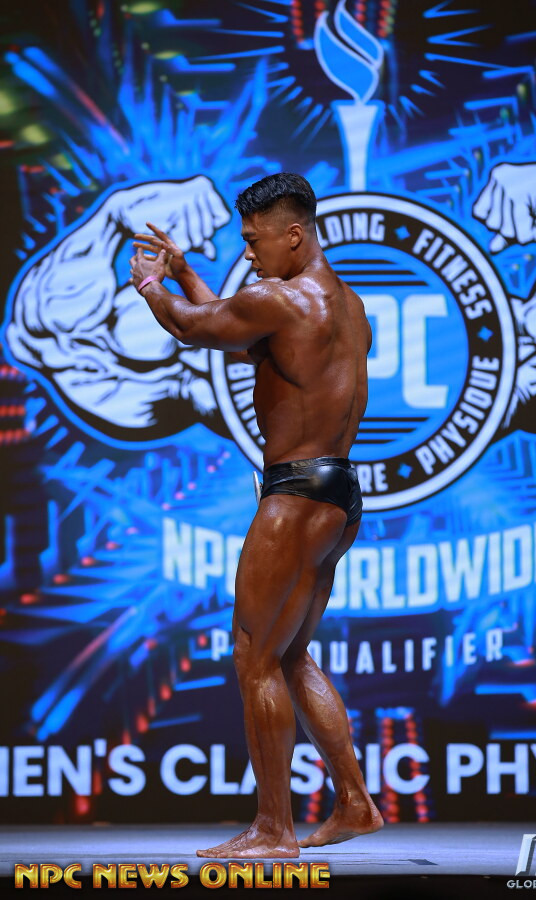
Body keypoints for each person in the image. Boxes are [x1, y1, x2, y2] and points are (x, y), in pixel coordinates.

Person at [129, 173, 382, 859]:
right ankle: (355, 803)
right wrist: (188, 273)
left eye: (255, 240)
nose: (248, 254)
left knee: (253, 656)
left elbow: (192, 328)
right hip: (338, 493)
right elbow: (239, 334)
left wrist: (151, 285)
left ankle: (274, 829)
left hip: (294, 495)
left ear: (293, 235)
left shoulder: (280, 298)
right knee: (289, 655)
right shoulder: (347, 304)